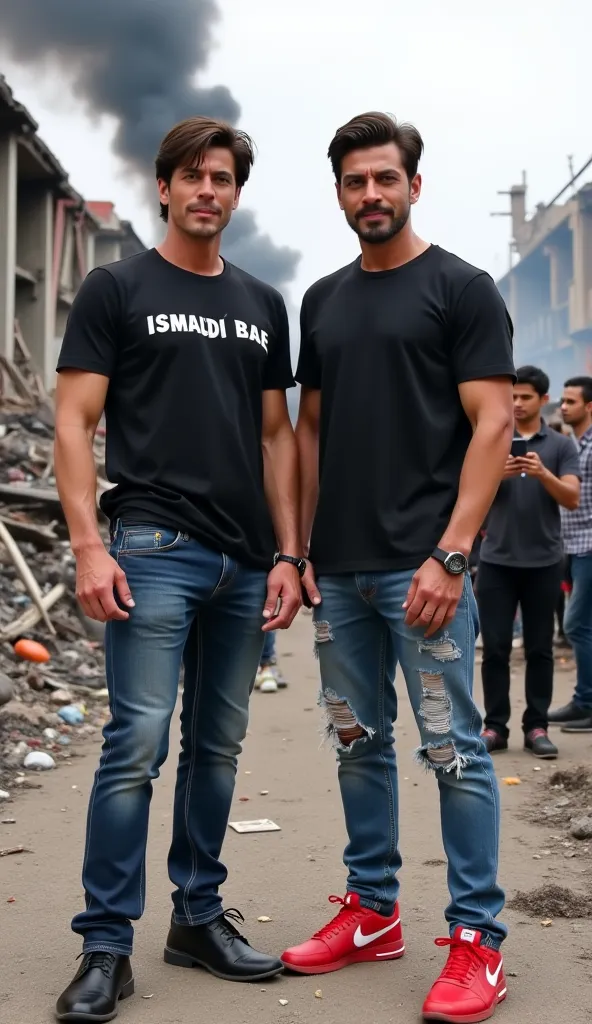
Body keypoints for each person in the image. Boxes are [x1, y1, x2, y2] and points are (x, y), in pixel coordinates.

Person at [53, 117, 317, 1023]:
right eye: (192, 176)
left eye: (223, 177)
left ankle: (197, 918)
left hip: (246, 562)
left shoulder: (260, 301)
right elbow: (74, 422)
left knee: (218, 749)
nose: (208, 190)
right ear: (163, 187)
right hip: (153, 549)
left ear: (237, 194)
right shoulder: (115, 287)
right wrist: (90, 544)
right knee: (134, 746)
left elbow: (276, 436)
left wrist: (289, 552)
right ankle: (105, 946)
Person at [285, 111, 515, 1023]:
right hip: (337, 571)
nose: (370, 195)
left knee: (455, 751)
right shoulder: (325, 300)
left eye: (385, 179)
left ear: (414, 185)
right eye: (354, 182)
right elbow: (307, 432)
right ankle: (374, 910)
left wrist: (451, 554)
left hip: (426, 570)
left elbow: (493, 425)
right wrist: (295, 551)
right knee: (357, 742)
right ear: (339, 192)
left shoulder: (461, 289)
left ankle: (477, 941)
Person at [477, 366, 580, 759]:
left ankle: (536, 725)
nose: (517, 404)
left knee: (540, 649)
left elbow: (571, 497)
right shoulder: (490, 441)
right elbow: (466, 497)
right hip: (497, 562)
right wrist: (494, 475)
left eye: (525, 397)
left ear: (543, 399)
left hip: (544, 562)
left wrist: (541, 473)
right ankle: (495, 726)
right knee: (496, 648)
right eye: (512, 397)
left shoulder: (560, 446)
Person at [549, 376, 592, 732]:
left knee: (576, 624)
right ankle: (584, 700)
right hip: (573, 546)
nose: (563, 407)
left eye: (571, 402)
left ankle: (587, 702)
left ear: (589, 406)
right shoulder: (575, 444)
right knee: (582, 625)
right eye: (562, 401)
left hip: (589, 547)